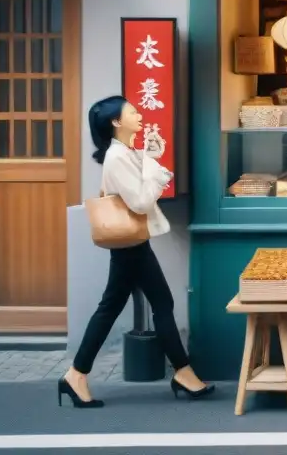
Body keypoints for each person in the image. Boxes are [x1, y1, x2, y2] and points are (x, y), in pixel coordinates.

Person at [59, 96, 215, 408]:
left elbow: (139, 180)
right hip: (130, 243)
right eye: (132, 111)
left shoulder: (124, 153)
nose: (139, 114)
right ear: (116, 122)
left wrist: (150, 156)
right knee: (130, 305)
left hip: (133, 243)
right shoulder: (117, 158)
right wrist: (155, 168)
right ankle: (77, 374)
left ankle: (181, 372)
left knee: (133, 304)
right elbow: (141, 202)